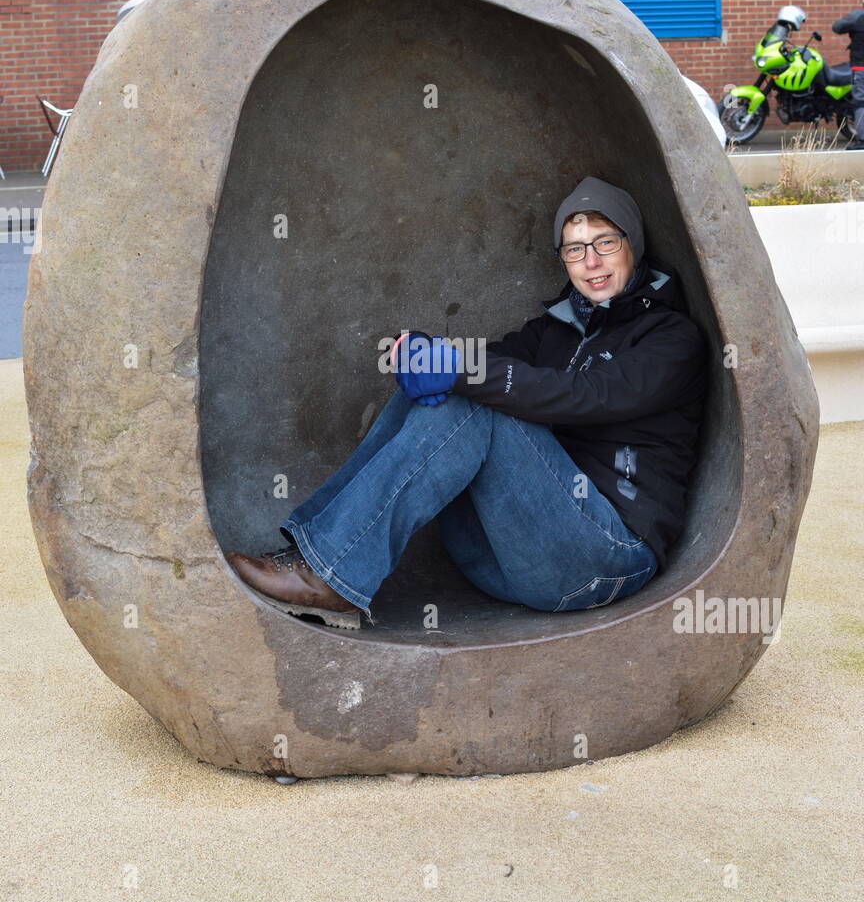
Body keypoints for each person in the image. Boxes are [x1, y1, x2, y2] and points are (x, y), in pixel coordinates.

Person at [226, 177, 708, 630]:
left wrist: (459, 369)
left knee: (471, 399)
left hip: (605, 557)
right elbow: (487, 362)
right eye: (575, 249)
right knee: (446, 388)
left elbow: (589, 397)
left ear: (633, 244)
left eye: (606, 242)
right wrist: (422, 351)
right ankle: (316, 552)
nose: (592, 262)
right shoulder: (554, 332)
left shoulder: (671, 338)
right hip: (509, 559)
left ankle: (333, 574)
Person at [831, 2, 864, 149]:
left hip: (861, 67)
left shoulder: (858, 17)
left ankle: (862, 141)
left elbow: (837, 27)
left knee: (860, 102)